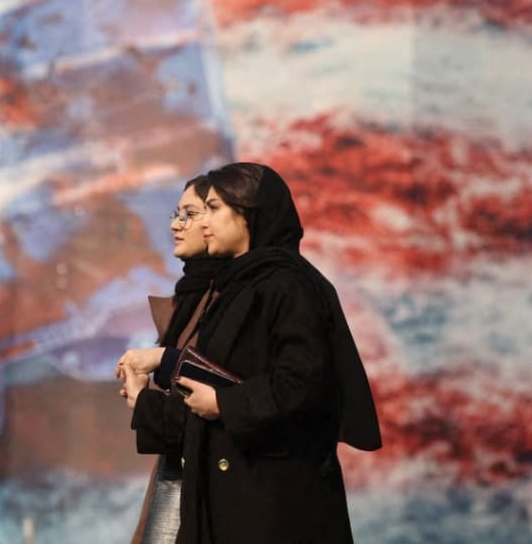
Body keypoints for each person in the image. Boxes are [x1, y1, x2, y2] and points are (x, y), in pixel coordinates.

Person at [124, 162, 381, 544]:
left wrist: (223, 403)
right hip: (234, 494)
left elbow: (304, 385)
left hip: (275, 504)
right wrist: (146, 401)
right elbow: (217, 387)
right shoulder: (239, 287)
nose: (202, 222)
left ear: (247, 215)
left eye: (213, 209)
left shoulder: (290, 284)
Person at [117, 175, 224, 544]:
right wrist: (144, 396)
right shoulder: (192, 298)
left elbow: (222, 406)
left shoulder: (228, 301)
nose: (176, 225)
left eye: (191, 214)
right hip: (179, 475)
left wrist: (145, 396)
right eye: (177, 214)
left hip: (213, 491)